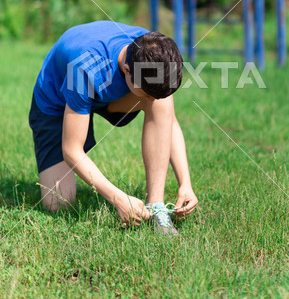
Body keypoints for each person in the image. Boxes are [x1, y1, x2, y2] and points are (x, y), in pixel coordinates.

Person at [29, 20, 198, 236]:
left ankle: (156, 206)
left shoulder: (153, 52)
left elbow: (169, 120)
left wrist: (186, 183)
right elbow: (71, 150)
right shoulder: (84, 67)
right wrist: (117, 197)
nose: (150, 99)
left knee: (161, 101)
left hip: (108, 94)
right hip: (57, 103)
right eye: (145, 93)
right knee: (59, 203)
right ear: (127, 70)